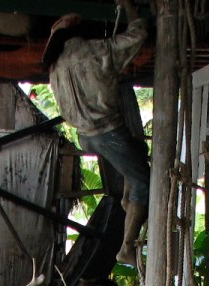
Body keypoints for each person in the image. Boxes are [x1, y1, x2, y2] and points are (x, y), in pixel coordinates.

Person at [45, 0, 151, 264]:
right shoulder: (96, 51)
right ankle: (126, 247)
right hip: (108, 133)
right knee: (144, 182)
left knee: (138, 150)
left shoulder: (55, 67)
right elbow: (139, 34)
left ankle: (129, 203)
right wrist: (130, 7)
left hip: (85, 137)